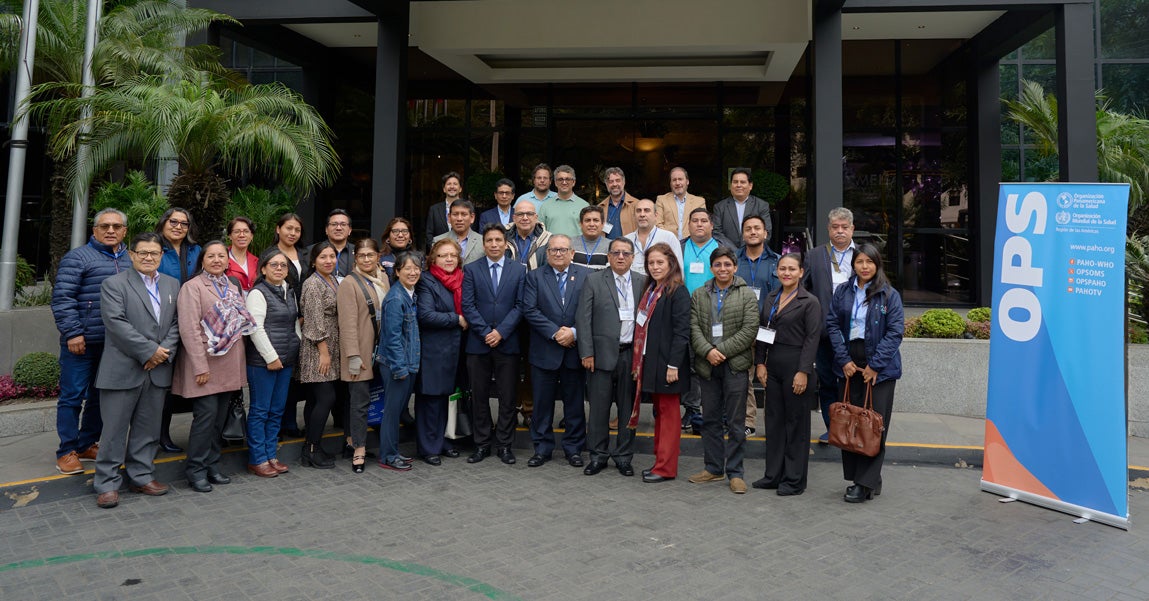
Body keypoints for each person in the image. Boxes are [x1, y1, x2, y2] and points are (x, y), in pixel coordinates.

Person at [92, 232, 181, 509]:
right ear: (131, 255)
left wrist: (162, 352)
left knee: (148, 429)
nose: (148, 258)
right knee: (114, 431)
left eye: (154, 253)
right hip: (123, 369)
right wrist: (149, 351)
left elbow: (178, 323)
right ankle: (106, 484)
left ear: (161, 256)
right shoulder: (114, 284)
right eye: (142, 253)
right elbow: (116, 324)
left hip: (157, 370)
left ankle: (141, 476)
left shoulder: (172, 284)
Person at [50, 208, 131, 475]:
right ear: (94, 230)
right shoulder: (78, 257)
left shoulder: (130, 260)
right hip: (81, 342)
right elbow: (63, 298)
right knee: (72, 396)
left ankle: (87, 443)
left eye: (116, 226)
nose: (110, 230)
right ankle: (67, 450)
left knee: (100, 396)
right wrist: (73, 332)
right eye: (104, 226)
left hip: (113, 344)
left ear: (124, 231)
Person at [825, 243, 903, 503]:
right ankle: (868, 478)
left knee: (873, 425)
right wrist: (844, 359)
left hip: (879, 366)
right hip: (848, 362)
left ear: (877, 264)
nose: (865, 266)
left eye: (870, 262)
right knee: (851, 422)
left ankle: (863, 483)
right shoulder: (843, 291)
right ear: (853, 264)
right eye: (860, 262)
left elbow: (895, 333)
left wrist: (875, 366)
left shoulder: (889, 295)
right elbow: (832, 324)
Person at [172, 241, 252, 493]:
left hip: (228, 364)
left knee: (219, 420)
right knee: (204, 419)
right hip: (205, 363)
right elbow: (189, 329)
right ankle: (195, 470)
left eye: (221, 256)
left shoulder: (231, 285)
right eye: (211, 256)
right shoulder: (192, 287)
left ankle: (212, 465)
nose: (217, 260)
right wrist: (199, 366)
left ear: (228, 261)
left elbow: (239, 325)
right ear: (202, 260)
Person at [687, 246, 760, 495]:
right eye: (718, 265)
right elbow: (693, 327)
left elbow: (750, 329)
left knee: (736, 422)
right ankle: (714, 468)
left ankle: (736, 473)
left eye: (727, 264)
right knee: (710, 420)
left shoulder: (747, 295)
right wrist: (708, 351)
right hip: (707, 367)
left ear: (735, 267)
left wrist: (722, 351)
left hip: (735, 366)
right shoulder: (699, 294)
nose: (723, 269)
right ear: (711, 267)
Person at [576, 237, 646, 476]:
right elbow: (583, 319)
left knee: (628, 412)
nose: (620, 257)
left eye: (626, 253)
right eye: (615, 253)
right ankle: (598, 456)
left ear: (633, 258)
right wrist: (586, 352)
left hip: (631, 357)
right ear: (608, 256)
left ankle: (624, 457)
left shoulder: (643, 282)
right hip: (600, 357)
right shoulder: (594, 280)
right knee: (598, 411)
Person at [753, 253, 821, 496]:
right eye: (782, 268)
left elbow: (812, 339)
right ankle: (773, 475)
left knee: (795, 424)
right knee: (773, 422)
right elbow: (763, 331)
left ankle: (794, 479)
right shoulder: (772, 297)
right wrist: (760, 362)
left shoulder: (810, 301)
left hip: (797, 366)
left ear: (801, 272)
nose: (787, 273)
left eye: (792, 269)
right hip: (773, 366)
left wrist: (803, 371)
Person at [462, 224, 527, 465]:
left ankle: (505, 445)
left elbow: (521, 306)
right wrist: (486, 332)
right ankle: (482, 444)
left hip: (507, 343)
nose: (494, 244)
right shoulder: (471, 269)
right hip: (478, 344)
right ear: (483, 243)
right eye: (489, 240)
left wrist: (500, 332)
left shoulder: (519, 270)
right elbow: (467, 306)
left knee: (507, 397)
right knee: (478, 397)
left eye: (498, 240)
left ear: (505, 243)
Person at [522, 235, 589, 468]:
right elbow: (529, 310)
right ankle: (542, 448)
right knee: (541, 405)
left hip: (573, 350)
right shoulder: (534, 277)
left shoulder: (586, 276)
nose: (558, 253)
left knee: (574, 404)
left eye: (563, 250)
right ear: (546, 253)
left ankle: (573, 449)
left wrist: (573, 332)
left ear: (572, 253)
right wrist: (555, 333)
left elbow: (590, 311)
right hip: (544, 351)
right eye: (553, 250)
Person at [630, 243, 691, 483]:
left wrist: (673, 365)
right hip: (651, 362)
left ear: (671, 264)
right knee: (660, 414)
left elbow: (682, 332)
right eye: (651, 263)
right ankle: (659, 461)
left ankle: (666, 468)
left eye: (660, 263)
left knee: (669, 417)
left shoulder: (678, 292)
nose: (655, 267)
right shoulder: (651, 290)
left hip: (669, 366)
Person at [244, 248, 301, 478]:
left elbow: (293, 323)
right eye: (274, 265)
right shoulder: (258, 293)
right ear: (264, 268)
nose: (279, 269)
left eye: (283, 265)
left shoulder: (289, 291)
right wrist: (271, 357)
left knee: (277, 410)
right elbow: (255, 328)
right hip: (263, 363)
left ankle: (271, 455)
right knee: (260, 410)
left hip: (286, 360)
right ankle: (257, 458)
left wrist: (297, 344)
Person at [337, 238, 390, 473]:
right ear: (355, 258)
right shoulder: (349, 283)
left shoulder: (384, 278)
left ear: (378, 256)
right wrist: (353, 356)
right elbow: (346, 323)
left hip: (381, 349)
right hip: (359, 351)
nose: (367, 259)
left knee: (376, 399)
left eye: (371, 255)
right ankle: (358, 450)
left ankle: (353, 440)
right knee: (359, 403)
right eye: (362, 256)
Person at [805, 207, 857, 444]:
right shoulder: (815, 255)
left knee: (851, 381)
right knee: (826, 381)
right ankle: (832, 429)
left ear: (852, 229)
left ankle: (854, 428)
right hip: (825, 331)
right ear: (828, 229)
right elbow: (803, 289)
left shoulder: (862, 255)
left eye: (844, 227)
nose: (839, 231)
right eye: (835, 227)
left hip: (855, 332)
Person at [415, 239, 467, 465]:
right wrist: (456, 319)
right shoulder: (427, 280)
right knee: (431, 401)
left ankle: (442, 441)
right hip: (433, 351)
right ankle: (428, 448)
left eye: (453, 256)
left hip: (454, 350)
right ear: (433, 259)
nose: (448, 259)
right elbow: (425, 315)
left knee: (445, 399)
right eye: (443, 255)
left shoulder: (461, 280)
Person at [154, 207, 201, 454]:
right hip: (163, 324)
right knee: (162, 383)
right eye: (173, 222)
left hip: (192, 323)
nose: (178, 227)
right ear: (163, 223)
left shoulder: (196, 251)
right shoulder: (154, 249)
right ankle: (159, 435)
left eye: (184, 223)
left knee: (182, 384)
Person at [375, 251, 424, 472]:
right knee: (392, 413)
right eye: (407, 268)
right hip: (397, 364)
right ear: (397, 271)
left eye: (416, 268)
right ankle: (388, 456)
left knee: (396, 411)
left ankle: (393, 452)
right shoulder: (396, 298)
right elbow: (392, 337)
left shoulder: (410, 293)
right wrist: (400, 367)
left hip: (407, 362)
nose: (413, 272)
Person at [297, 242, 342, 469]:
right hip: (318, 349)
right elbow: (313, 321)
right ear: (313, 261)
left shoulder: (333, 280)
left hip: (331, 346)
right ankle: (312, 448)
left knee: (315, 399)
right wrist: (324, 353)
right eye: (323, 257)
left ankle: (311, 448)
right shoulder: (313, 283)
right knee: (326, 398)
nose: (328, 261)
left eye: (332, 256)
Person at [735, 214, 781, 436]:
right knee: (745, 378)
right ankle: (748, 422)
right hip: (741, 329)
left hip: (769, 328)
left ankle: (774, 422)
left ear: (765, 233)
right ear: (742, 234)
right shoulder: (734, 261)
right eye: (748, 229)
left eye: (757, 228)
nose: (752, 232)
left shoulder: (778, 262)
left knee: (770, 377)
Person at [270, 213, 307, 438]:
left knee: (294, 375)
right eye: (288, 228)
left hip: (303, 318)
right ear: (278, 229)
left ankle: (290, 422)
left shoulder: (304, 253)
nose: (292, 233)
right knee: (281, 371)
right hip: (282, 320)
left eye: (297, 230)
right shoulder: (271, 255)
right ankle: (282, 425)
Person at [712, 168, 773, 247]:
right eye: (735, 182)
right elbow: (717, 233)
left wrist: (748, 251)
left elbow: (766, 232)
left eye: (743, 182)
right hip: (728, 254)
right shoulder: (720, 207)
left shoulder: (761, 205)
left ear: (750, 186)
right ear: (731, 185)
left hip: (753, 253)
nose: (738, 185)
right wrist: (735, 252)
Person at [625, 198, 682, 276]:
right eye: (638, 211)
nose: (642, 214)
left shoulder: (668, 238)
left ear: (656, 215)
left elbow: (678, 270)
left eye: (647, 210)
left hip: (661, 287)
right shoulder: (626, 240)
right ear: (634, 216)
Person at [537, 164, 589, 238]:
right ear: (555, 183)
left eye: (567, 179)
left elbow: (589, 232)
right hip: (552, 248)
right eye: (560, 179)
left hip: (576, 249)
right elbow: (539, 233)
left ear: (573, 182)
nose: (564, 182)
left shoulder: (584, 206)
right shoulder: (545, 206)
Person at [654, 167, 705, 240]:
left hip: (692, 244)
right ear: (670, 183)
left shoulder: (699, 202)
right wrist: (670, 239)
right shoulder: (661, 200)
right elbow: (657, 223)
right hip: (668, 244)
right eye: (674, 180)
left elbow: (701, 225)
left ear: (687, 181)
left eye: (680, 179)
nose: (677, 183)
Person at [433, 199, 484, 265]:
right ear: (449, 217)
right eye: (455, 214)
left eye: (464, 214)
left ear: (472, 218)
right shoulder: (438, 241)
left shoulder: (483, 241)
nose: (459, 219)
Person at [506, 199, 552, 271]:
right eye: (520, 214)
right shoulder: (503, 237)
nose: (525, 218)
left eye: (529, 214)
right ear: (514, 218)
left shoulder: (548, 240)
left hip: (536, 281)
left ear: (536, 218)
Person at [312, 209, 354, 280]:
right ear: (326, 230)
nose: (338, 228)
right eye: (334, 224)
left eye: (343, 224)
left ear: (350, 230)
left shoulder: (358, 252)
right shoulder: (312, 250)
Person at [598, 167, 639, 239]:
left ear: (624, 182)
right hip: (607, 249)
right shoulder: (600, 207)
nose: (614, 184)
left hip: (629, 248)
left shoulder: (637, 205)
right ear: (606, 184)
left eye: (618, 180)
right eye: (611, 181)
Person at [425, 171, 464, 246]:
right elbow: (429, 235)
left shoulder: (468, 208)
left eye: (455, 184)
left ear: (460, 189)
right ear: (444, 189)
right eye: (449, 184)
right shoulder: (434, 210)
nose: (452, 187)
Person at [225, 217, 260, 291]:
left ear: (251, 236)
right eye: (237, 231)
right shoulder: (221, 258)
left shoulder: (257, 261)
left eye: (246, 231)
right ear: (230, 236)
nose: (241, 235)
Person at [572, 206, 610, 270]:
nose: (592, 224)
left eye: (596, 220)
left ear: (602, 224)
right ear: (580, 224)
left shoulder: (611, 246)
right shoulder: (570, 244)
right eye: (587, 220)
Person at [379, 217, 414, 282]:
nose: (400, 235)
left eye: (405, 231)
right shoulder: (379, 258)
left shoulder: (419, 258)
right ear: (388, 237)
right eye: (395, 231)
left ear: (410, 237)